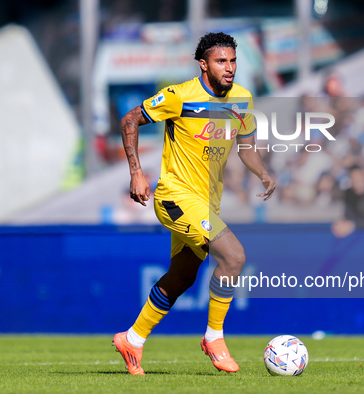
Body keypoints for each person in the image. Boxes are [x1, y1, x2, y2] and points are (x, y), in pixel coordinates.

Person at [113, 32, 276, 375]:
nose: (229, 68)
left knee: (183, 276)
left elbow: (245, 148)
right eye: (221, 61)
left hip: (206, 203)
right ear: (204, 65)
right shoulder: (179, 96)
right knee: (234, 257)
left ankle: (133, 338)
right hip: (175, 196)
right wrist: (137, 174)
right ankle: (214, 338)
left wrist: (262, 172)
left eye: (233, 61)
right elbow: (130, 120)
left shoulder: (242, 100)